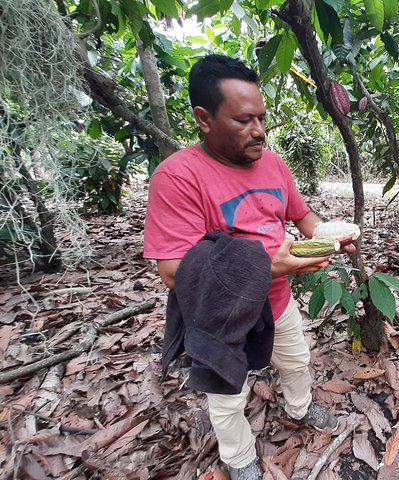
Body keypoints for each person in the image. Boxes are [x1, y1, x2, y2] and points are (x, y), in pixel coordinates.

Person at [144, 54, 353, 480]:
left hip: (276, 302)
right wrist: (265, 262)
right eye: (243, 120)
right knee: (227, 396)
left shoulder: (273, 163)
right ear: (204, 118)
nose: (258, 131)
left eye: (261, 118)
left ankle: (299, 407)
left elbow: (302, 216)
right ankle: (239, 460)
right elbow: (172, 270)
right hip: (220, 314)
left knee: (296, 362)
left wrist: (328, 234)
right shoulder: (179, 176)